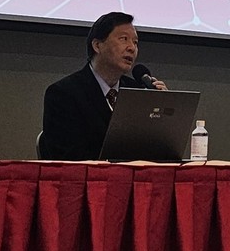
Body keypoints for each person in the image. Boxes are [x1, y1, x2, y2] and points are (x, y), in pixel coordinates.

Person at [39, 11, 166, 160]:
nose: (132, 48)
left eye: (135, 42)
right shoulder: (63, 94)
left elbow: (158, 153)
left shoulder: (139, 93)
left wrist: (163, 110)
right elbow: (68, 158)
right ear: (97, 46)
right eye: (124, 39)